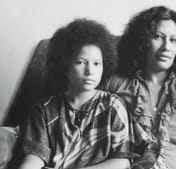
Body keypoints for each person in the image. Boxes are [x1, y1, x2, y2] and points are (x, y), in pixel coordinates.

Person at [18, 19, 131, 169]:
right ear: (65, 66)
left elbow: (122, 162)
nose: (90, 71)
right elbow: (34, 156)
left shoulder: (113, 105)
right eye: (81, 62)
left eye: (97, 63)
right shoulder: (44, 109)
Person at [102, 5, 176, 169]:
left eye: (173, 40)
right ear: (142, 40)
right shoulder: (115, 82)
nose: (166, 47)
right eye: (158, 37)